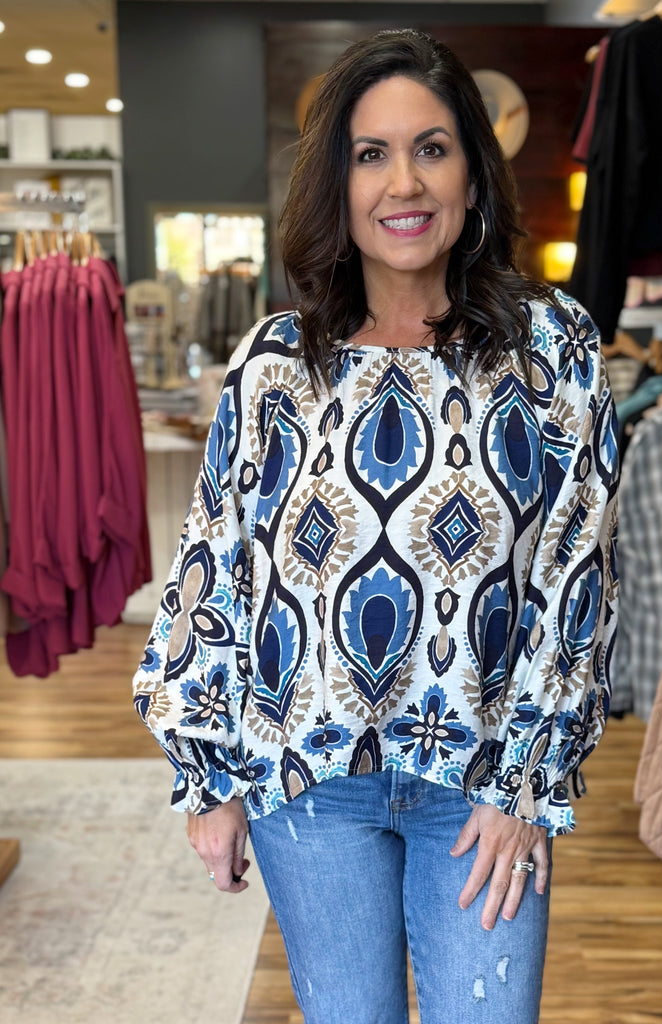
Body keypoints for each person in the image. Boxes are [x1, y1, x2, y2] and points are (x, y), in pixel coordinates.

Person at [133, 28, 618, 1024]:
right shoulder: (274, 363)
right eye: (370, 154)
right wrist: (207, 781)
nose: (404, 182)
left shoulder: (550, 348)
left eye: (432, 148)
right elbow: (213, 567)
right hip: (308, 784)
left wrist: (523, 782)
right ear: (339, 186)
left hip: (481, 781)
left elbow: (579, 571)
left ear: (472, 175)